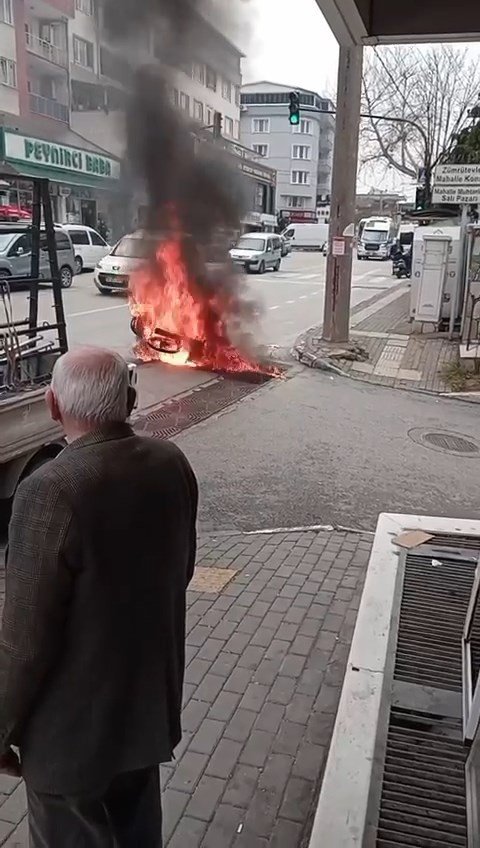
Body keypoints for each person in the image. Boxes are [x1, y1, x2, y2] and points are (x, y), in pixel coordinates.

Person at [0, 347, 198, 847]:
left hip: (70, 744)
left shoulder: (50, 490)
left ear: (51, 405)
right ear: (130, 399)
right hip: (143, 718)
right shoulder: (170, 462)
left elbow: (24, 640)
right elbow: (181, 572)